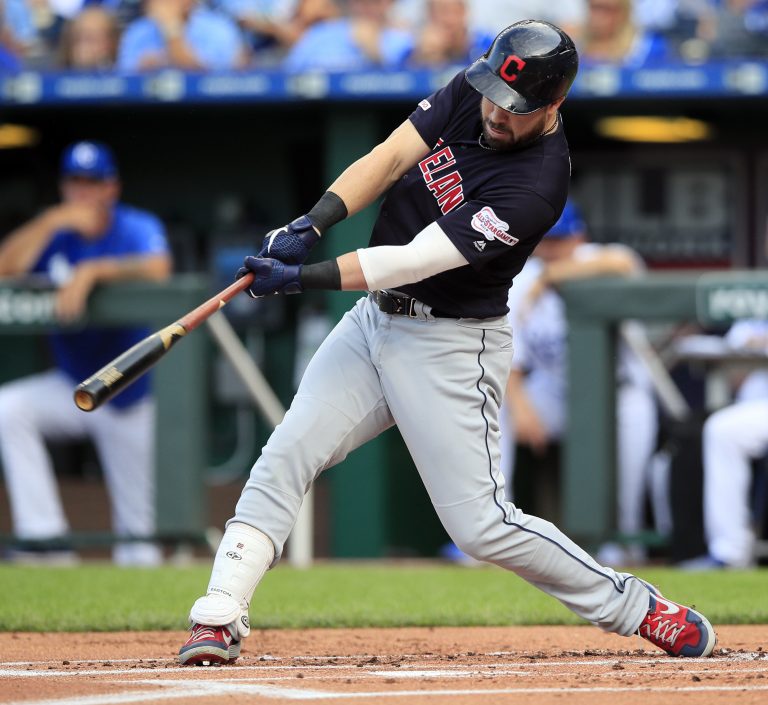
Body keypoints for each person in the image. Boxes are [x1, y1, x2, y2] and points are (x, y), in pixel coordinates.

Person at [178, 20, 716, 666]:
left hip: (449, 344)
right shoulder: (475, 87)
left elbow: (409, 261)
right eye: (491, 93)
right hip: (374, 321)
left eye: (515, 108)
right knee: (286, 453)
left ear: (554, 105)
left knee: (481, 525)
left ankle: (639, 607)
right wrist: (313, 220)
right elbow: (392, 156)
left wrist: (301, 278)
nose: (494, 110)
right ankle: (219, 613)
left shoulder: (537, 184)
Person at [0, 140, 171, 566]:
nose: (84, 192)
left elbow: (159, 268)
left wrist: (96, 271)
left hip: (128, 393)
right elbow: (7, 268)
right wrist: (50, 221)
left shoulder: (133, 226)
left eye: (93, 182)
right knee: (9, 409)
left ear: (111, 187)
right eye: (75, 182)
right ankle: (45, 546)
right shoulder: (54, 234)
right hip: (72, 384)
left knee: (139, 541)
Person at [501, 200, 659, 566]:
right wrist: (522, 407)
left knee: (627, 499)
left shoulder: (603, 257)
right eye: (546, 241)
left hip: (620, 395)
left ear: (579, 237)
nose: (552, 249)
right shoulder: (520, 279)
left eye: (561, 240)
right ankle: (490, 529)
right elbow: (512, 358)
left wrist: (553, 277)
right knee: (494, 413)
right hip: (557, 393)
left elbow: (624, 266)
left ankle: (623, 549)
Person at [680, 320, 768, 569]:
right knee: (719, 429)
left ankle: (730, 552)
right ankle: (729, 552)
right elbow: (734, 370)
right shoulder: (751, 312)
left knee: (724, 430)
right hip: (752, 409)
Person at [282, 0, 412, 72]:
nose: (366, 7)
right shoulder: (321, 33)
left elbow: (405, 82)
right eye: (361, 2)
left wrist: (375, 54)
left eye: (374, 2)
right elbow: (288, 73)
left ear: (388, 3)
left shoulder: (401, 38)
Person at [117, 0, 247, 72]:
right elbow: (122, 79)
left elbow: (207, 79)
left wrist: (171, 28)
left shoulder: (218, 28)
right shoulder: (138, 31)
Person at [579, 0, 673, 67]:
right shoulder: (576, 50)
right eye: (594, 8)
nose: (598, 16)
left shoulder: (645, 48)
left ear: (623, 12)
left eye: (606, 9)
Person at [407, 0, 494, 67]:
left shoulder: (487, 44)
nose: (450, 20)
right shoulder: (414, 52)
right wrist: (428, 57)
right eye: (443, 12)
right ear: (429, 15)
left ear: (465, 12)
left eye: (456, 11)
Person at [57, 5, 119, 70]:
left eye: (91, 39)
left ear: (112, 43)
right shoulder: (50, 75)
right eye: (79, 38)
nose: (84, 46)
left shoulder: (124, 75)